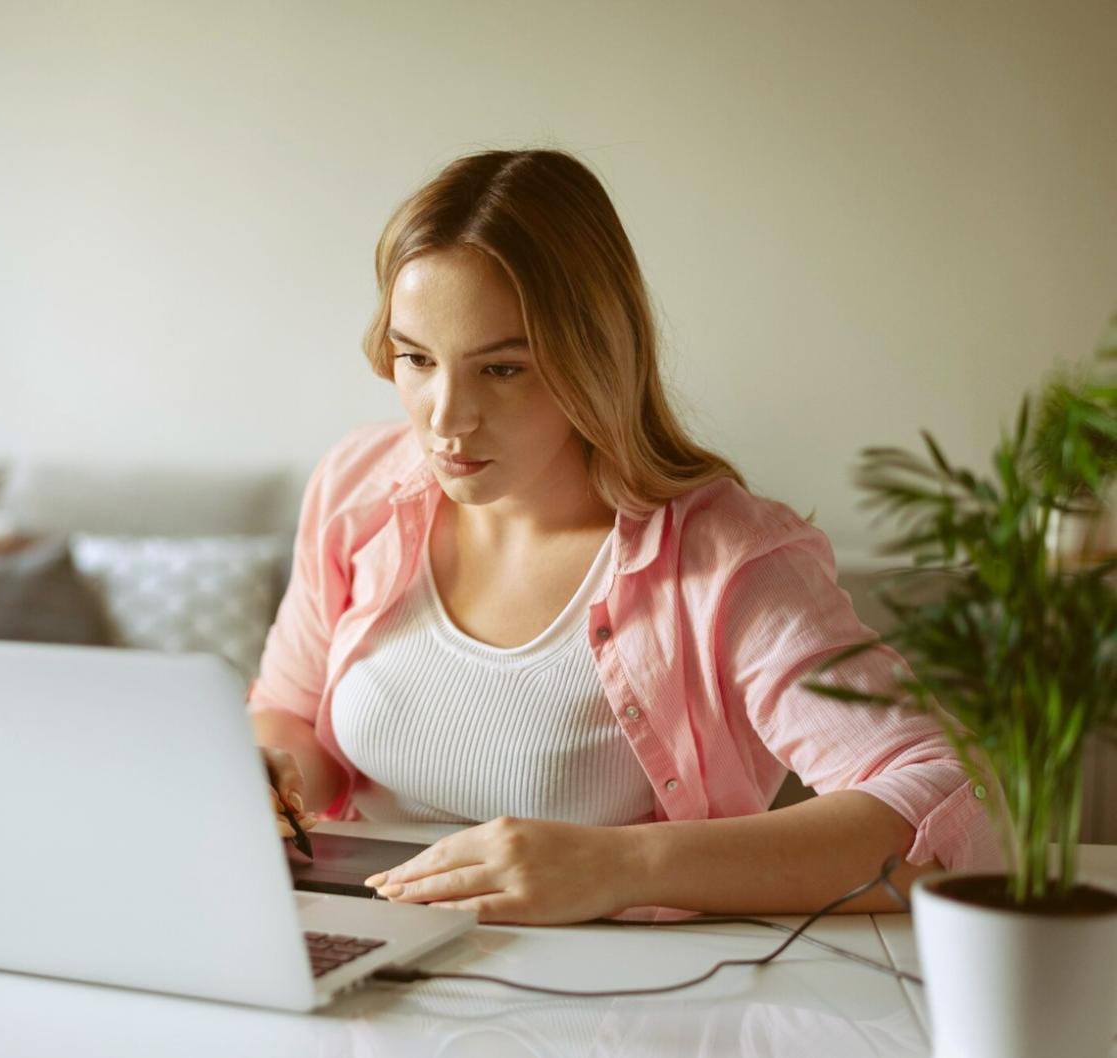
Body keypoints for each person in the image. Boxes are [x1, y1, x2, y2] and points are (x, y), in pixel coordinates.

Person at [247, 148, 1001, 926]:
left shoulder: (725, 558)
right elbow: (288, 710)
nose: (445, 418)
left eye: (502, 369)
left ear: (593, 356)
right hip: (365, 951)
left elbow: (949, 805)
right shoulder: (357, 485)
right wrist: (267, 775)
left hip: (605, 1003)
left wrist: (621, 867)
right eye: (415, 358)